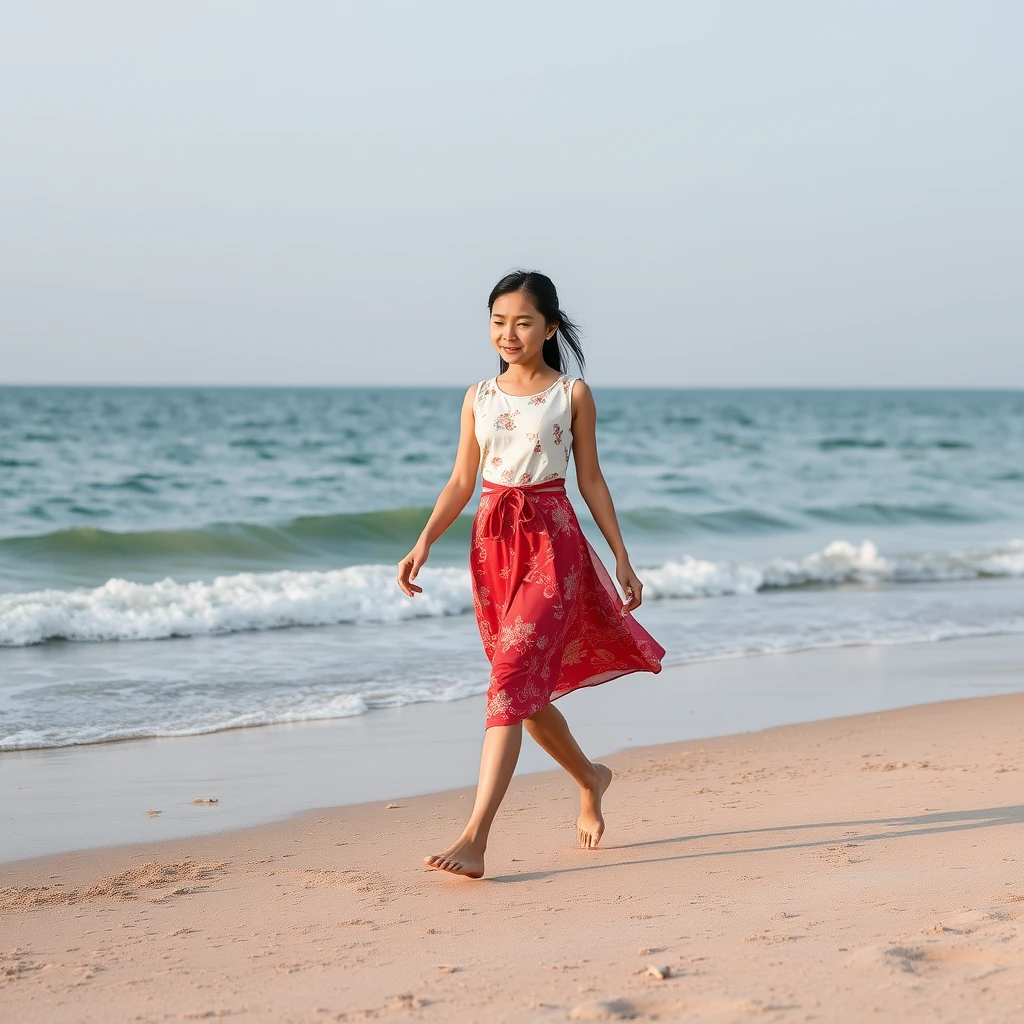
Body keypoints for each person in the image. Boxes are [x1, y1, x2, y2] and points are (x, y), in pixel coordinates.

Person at [397, 269, 665, 878]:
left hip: (552, 544)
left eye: (522, 322)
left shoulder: (571, 395)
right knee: (527, 698)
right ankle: (591, 778)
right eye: (498, 322)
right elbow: (463, 480)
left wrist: (621, 555)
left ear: (549, 326)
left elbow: (591, 479)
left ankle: (474, 838)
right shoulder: (478, 397)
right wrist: (423, 542)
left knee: (510, 682)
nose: (509, 334)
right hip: (492, 546)